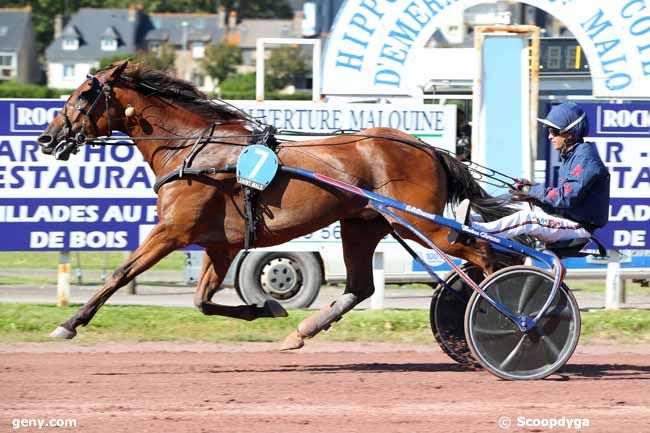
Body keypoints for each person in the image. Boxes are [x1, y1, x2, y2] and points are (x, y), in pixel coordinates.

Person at [455, 102, 610, 244]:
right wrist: (533, 197)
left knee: (527, 219)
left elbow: (564, 199)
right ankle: (474, 221)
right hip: (567, 220)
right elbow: (561, 205)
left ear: (569, 134)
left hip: (578, 227)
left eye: (554, 132)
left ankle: (476, 232)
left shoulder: (585, 157)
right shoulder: (572, 156)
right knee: (515, 209)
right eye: (549, 131)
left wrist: (531, 190)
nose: (550, 137)